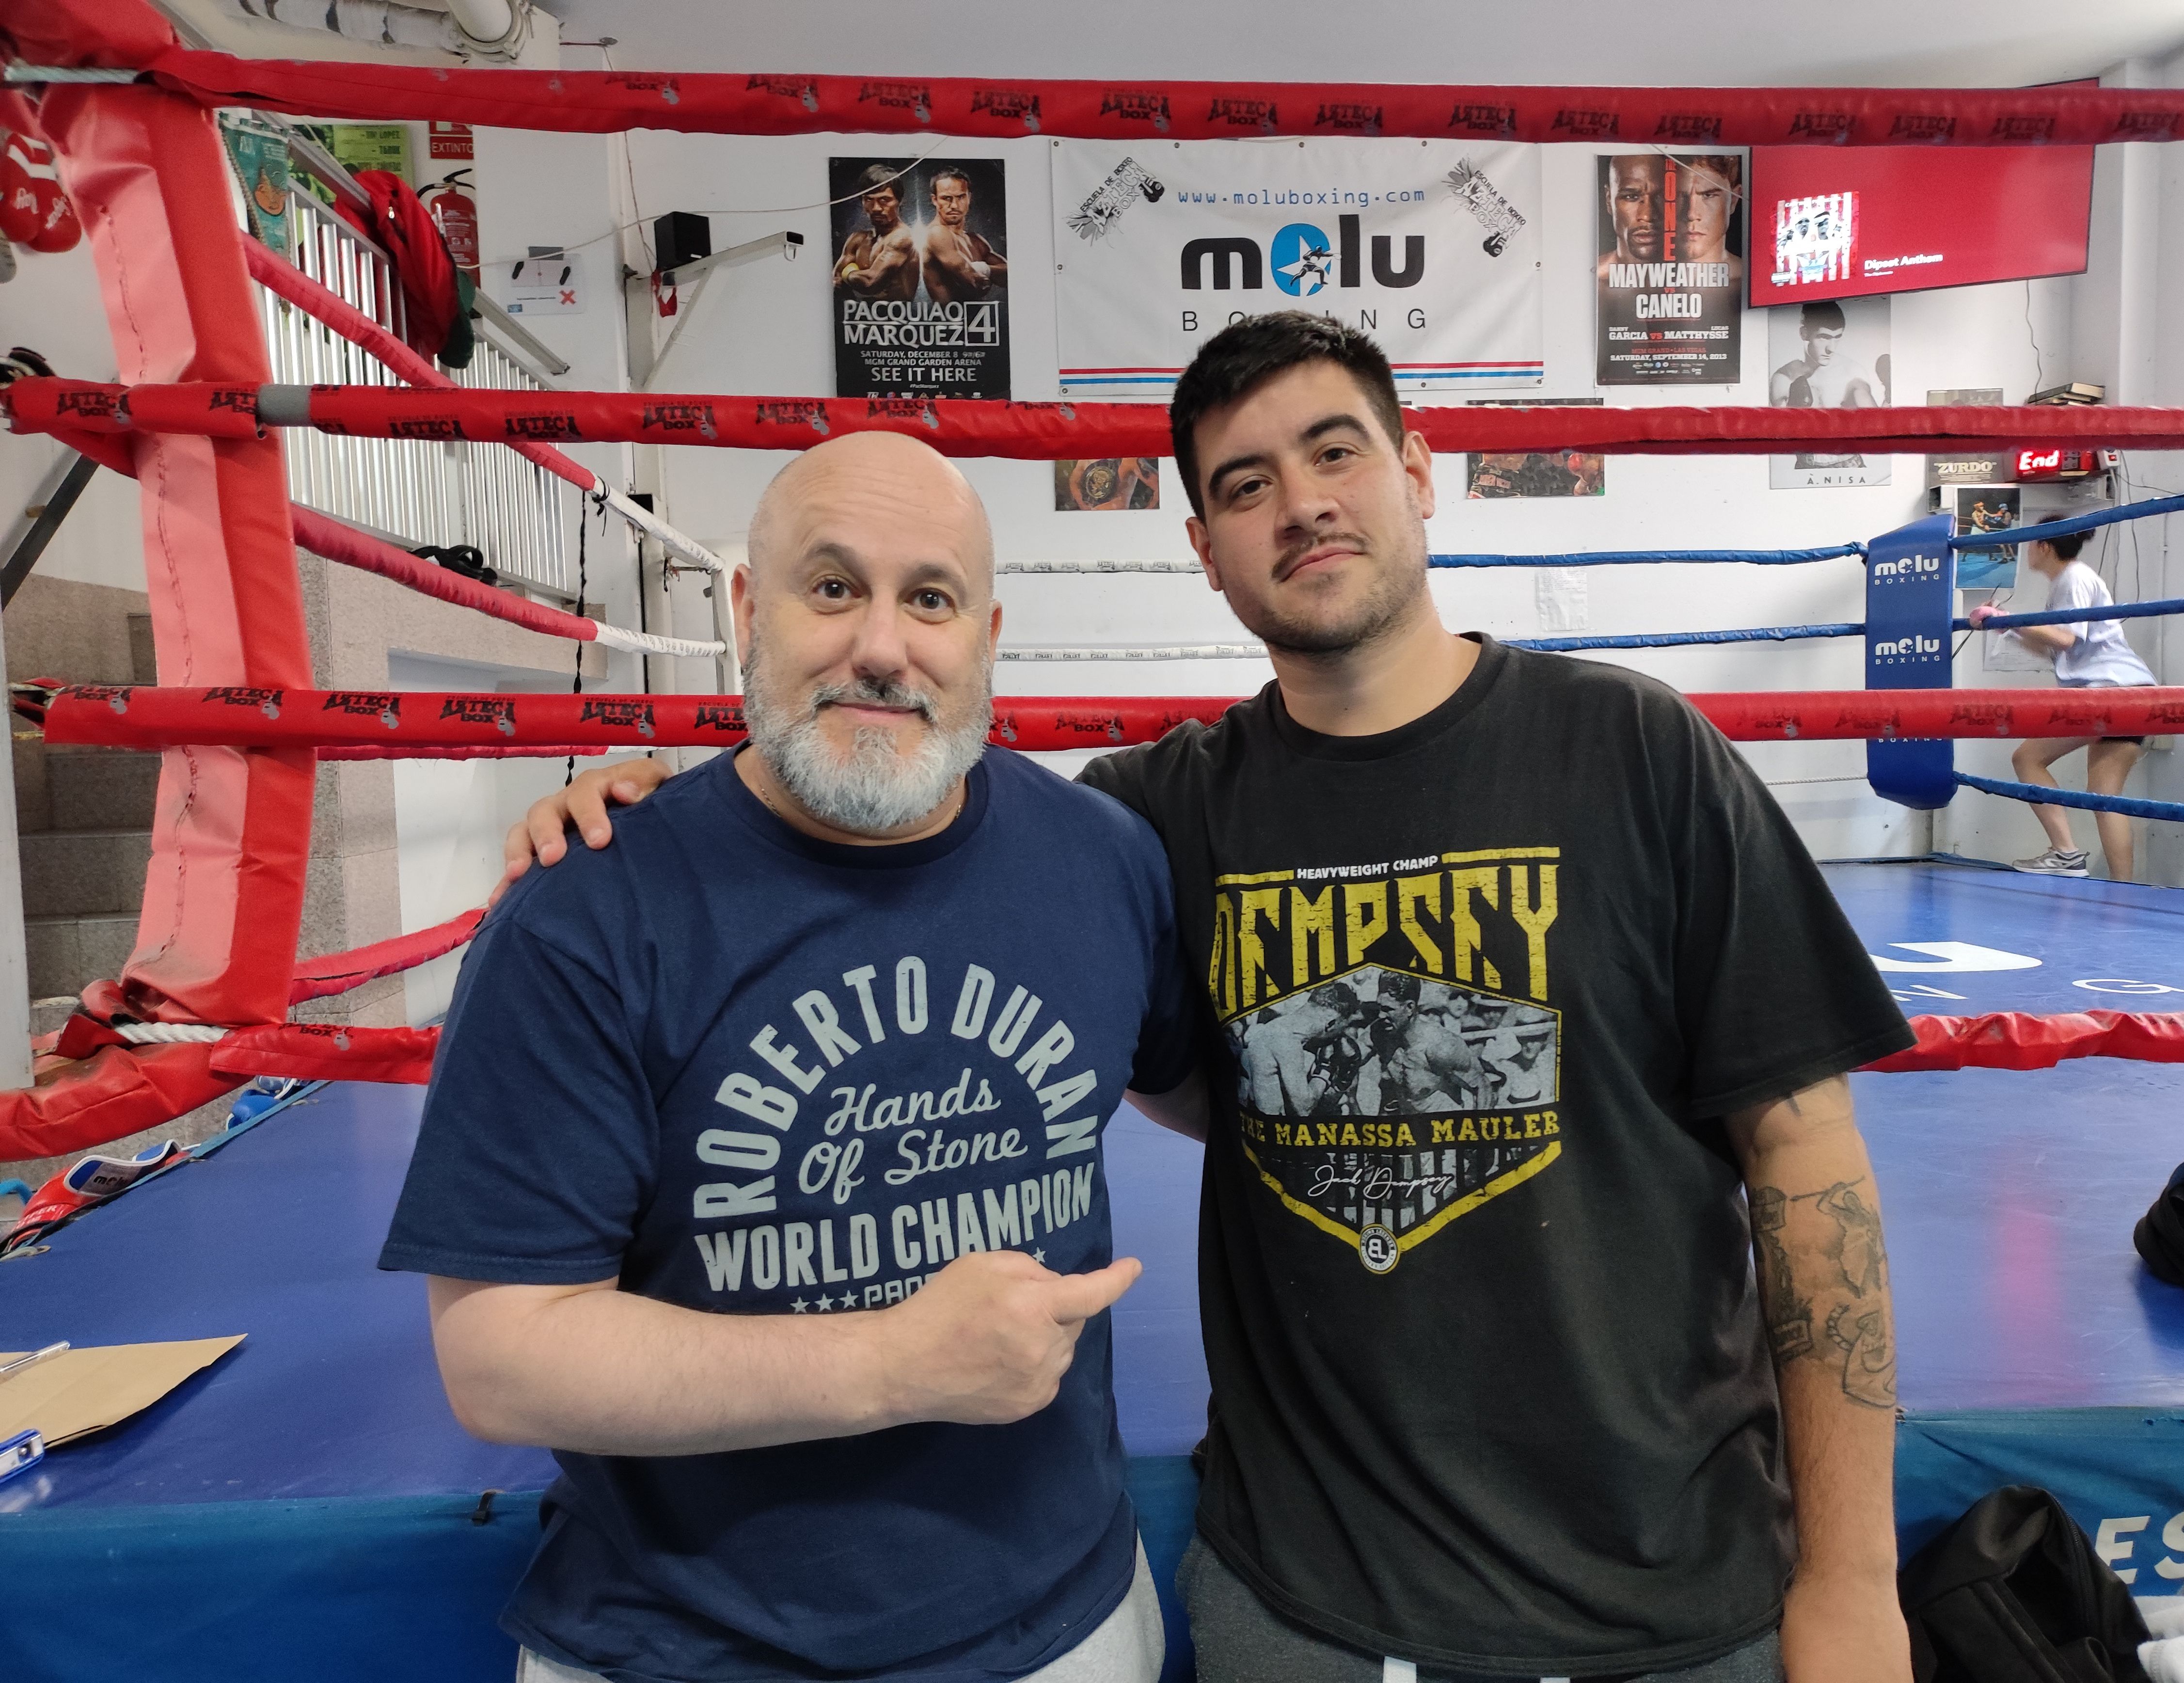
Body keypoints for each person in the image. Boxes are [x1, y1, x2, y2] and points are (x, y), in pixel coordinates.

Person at [505, 313, 1918, 1683]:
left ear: (1416, 475)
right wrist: (657, 810)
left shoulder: (1638, 753)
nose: (1298, 504)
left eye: (1334, 452)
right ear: (1203, 549)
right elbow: (895, 814)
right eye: (1244, 485)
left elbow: (1805, 1155)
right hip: (1310, 1602)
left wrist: (1851, 1578)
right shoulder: (1147, 823)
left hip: (1677, 1590)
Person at [383, 431, 1206, 1683]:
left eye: (928, 598)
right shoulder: (589, 908)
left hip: (1064, 1623)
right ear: (746, 611)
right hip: (686, 1649)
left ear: (987, 638)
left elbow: (1187, 1083)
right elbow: (499, 1356)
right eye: (834, 587)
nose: (882, 645)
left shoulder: (1102, 861)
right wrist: (887, 1363)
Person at [1967, 530, 2158, 879]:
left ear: (2044, 545)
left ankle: (2066, 854)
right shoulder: (2067, 583)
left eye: (2031, 544)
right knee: (2106, 795)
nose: (2028, 552)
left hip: (2108, 692)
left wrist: (2010, 618)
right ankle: (2125, 889)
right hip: (2134, 692)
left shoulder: (2074, 577)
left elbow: (2066, 639)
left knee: (2027, 758)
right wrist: (2006, 629)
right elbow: (2052, 648)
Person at [1769, 300, 1879, 410]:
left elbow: (1876, 422)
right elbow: (1783, 423)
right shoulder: (1784, 379)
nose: (1831, 349)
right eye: (1824, 337)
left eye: (1837, 338)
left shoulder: (1853, 374)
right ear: (1804, 334)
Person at [833, 163, 919, 301]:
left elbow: (870, 283)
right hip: (858, 318)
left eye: (885, 200)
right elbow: (835, 281)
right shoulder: (857, 239)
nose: (876, 208)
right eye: (869, 200)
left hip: (898, 320)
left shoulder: (902, 237)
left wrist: (848, 272)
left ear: (900, 201)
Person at [921, 165, 1007, 303]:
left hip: (978, 322)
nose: (954, 205)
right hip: (950, 323)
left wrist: (983, 269)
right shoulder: (937, 234)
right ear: (935, 200)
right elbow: (976, 285)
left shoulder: (975, 241)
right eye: (947, 198)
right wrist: (989, 271)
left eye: (961, 197)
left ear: (969, 198)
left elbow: (1013, 277)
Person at [1596, 152, 1664, 282]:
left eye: (1662, 197)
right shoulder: (1594, 280)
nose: (1647, 215)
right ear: (1608, 199)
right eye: (1631, 197)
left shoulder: (1697, 280)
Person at [1680, 155, 1743, 287]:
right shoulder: (1641, 281)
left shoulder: (1749, 280)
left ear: (1733, 201)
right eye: (1679, 196)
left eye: (1708, 195)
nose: (1691, 214)